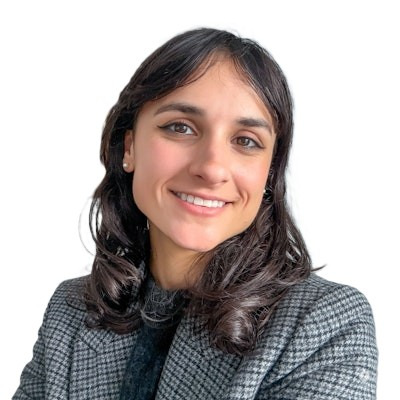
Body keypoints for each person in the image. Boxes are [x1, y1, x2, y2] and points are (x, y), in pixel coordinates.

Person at [13, 28, 377, 400]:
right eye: (181, 128)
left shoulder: (324, 323)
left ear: (269, 172)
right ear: (129, 147)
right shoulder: (71, 310)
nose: (212, 168)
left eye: (246, 141)